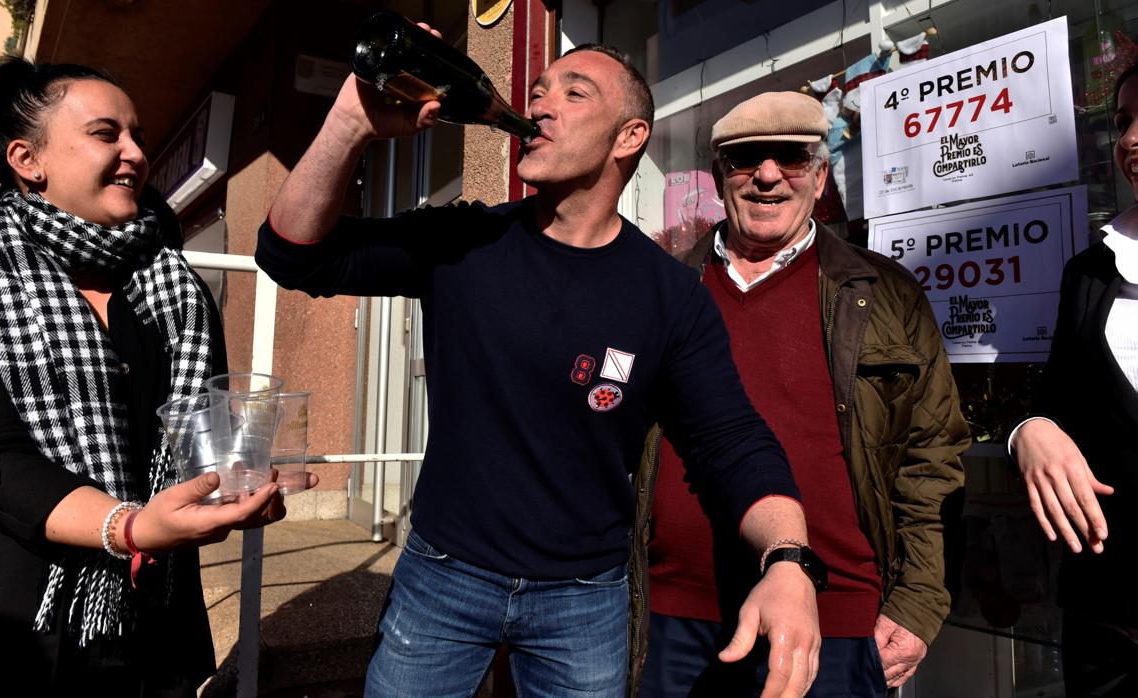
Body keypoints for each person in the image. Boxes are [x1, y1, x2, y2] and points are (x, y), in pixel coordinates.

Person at [256, 31, 821, 698]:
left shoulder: (668, 296)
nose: (542, 106)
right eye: (536, 94)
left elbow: (729, 439)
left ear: (627, 136)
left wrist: (787, 560)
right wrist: (351, 120)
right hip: (443, 575)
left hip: (583, 598)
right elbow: (292, 255)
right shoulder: (465, 240)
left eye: (573, 93)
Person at [0, 57, 299, 696]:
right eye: (107, 134)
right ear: (29, 160)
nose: (136, 152)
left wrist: (230, 484)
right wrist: (129, 527)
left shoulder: (175, 293)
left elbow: (196, 435)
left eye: (136, 134)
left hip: (147, 632)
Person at [639, 92, 969, 696]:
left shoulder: (885, 294)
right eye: (745, 159)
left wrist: (919, 602)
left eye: (790, 157)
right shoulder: (663, 287)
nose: (767, 176)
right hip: (671, 618)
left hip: (836, 621)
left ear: (819, 179)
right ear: (719, 178)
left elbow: (931, 459)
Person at [1009, 62, 1138, 697]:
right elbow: (1053, 404)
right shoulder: (1091, 268)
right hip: (1107, 613)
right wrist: (1029, 431)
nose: (1131, 139)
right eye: (1122, 122)